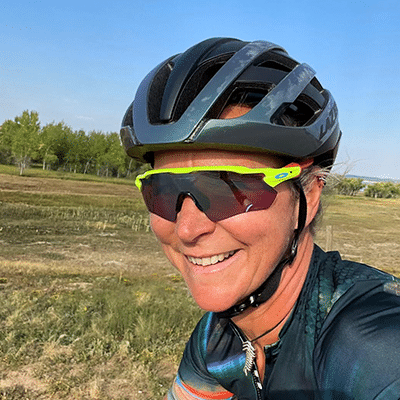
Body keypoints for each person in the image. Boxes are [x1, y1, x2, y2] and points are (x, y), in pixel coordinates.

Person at [120, 38, 400, 399]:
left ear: (310, 195)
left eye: (230, 188)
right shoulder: (215, 340)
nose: (187, 229)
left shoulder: (377, 349)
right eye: (162, 191)